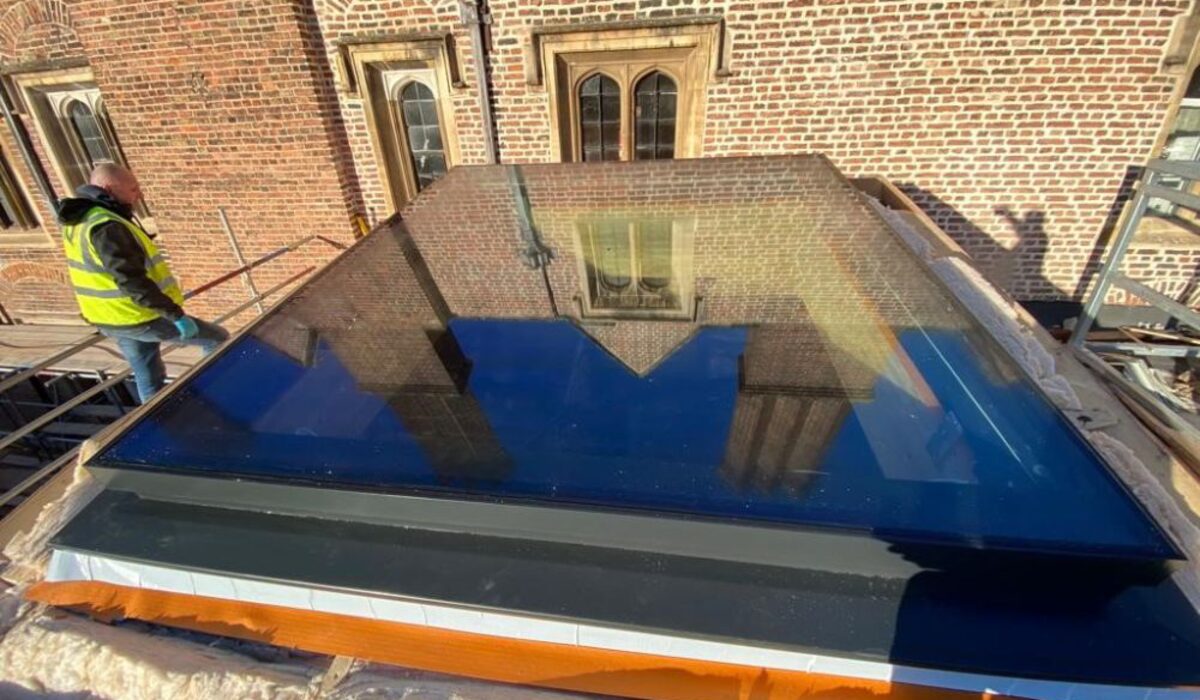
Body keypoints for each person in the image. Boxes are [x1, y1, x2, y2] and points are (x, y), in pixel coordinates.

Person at [58, 164, 228, 404]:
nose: (138, 194)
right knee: (217, 339)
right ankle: (217, 395)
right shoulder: (107, 226)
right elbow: (132, 280)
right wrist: (175, 314)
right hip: (137, 316)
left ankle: (157, 420)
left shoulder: (82, 219)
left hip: (110, 317)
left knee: (148, 374)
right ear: (109, 188)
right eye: (133, 188)